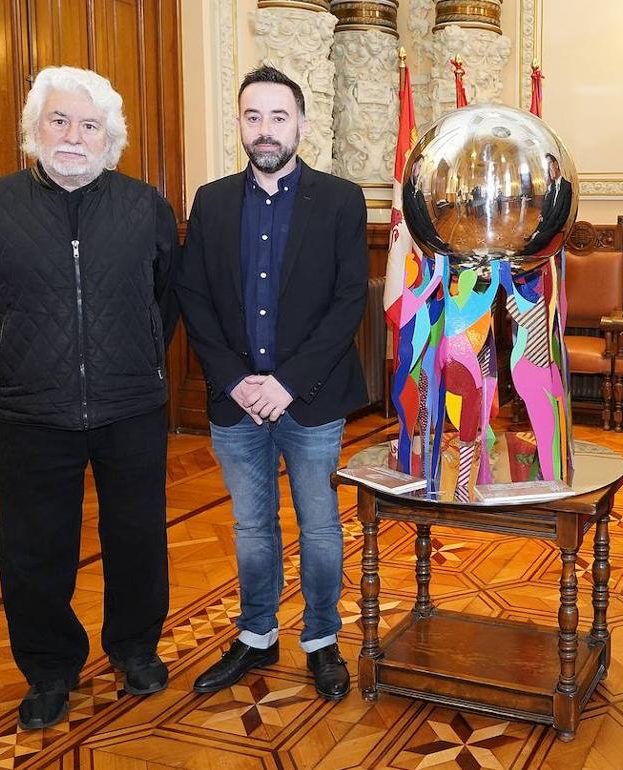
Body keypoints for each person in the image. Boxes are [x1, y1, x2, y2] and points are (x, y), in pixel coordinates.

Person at [0, 66, 177, 729]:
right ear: (35, 129)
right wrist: (23, 367)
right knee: (34, 548)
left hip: (130, 405)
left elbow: (164, 299)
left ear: (111, 138)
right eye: (59, 121)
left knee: (136, 537)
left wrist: (126, 360)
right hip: (32, 413)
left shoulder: (145, 206)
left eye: (89, 125)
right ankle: (49, 669)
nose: (73, 137)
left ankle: (135, 649)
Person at [177, 65, 369, 700]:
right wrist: (235, 380)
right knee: (252, 529)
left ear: (301, 126)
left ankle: (321, 640)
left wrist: (286, 383)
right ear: (239, 123)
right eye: (252, 116)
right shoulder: (209, 201)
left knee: (319, 527)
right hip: (236, 405)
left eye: (278, 117)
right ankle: (256, 636)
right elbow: (194, 298)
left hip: (310, 401)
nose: (265, 130)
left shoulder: (342, 200)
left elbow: (348, 302)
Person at [521, 153, 573, 255]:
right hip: (547, 223)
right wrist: (542, 216)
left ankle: (524, 253)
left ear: (556, 165)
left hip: (555, 227)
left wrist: (549, 232)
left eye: (549, 164)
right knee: (530, 242)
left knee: (537, 240)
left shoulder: (566, 186)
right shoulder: (552, 187)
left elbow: (563, 216)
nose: (548, 170)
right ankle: (523, 251)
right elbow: (547, 206)